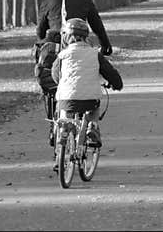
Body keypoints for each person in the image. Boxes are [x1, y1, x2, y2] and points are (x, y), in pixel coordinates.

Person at [51, 18, 123, 169]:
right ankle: (91, 127)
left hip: (66, 98)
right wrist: (116, 84)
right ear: (86, 37)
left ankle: (61, 147)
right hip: (89, 99)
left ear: (66, 37)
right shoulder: (95, 54)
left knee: (64, 112)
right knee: (93, 107)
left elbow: (55, 75)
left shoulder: (62, 56)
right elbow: (110, 73)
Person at [37, 0, 113, 55]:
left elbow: (41, 28)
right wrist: (105, 45)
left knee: (42, 66)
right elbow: (96, 24)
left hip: (54, 44)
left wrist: (42, 43)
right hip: (78, 42)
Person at [34, 29, 62, 144]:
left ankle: (52, 126)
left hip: (47, 79)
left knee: (50, 94)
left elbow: (40, 27)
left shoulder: (45, 9)